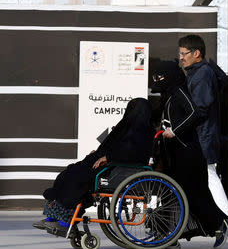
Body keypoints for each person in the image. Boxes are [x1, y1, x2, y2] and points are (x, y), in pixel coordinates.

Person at [33, 98, 155, 236]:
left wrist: (108, 157)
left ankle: (65, 223)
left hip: (118, 167)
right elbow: (116, 146)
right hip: (109, 163)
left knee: (76, 179)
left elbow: (132, 153)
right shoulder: (128, 126)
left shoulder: (142, 130)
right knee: (68, 173)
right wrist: (99, 153)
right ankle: (53, 217)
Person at [151, 60, 228, 249]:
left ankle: (221, 222)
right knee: (171, 194)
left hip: (188, 154)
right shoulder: (167, 96)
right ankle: (169, 236)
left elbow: (194, 113)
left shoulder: (178, 92)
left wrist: (175, 130)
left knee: (194, 195)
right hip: (175, 154)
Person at [178, 34, 228, 247]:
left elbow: (200, 108)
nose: (181, 58)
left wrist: (181, 125)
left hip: (203, 135)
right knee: (209, 175)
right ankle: (225, 220)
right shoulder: (199, 72)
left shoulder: (201, 75)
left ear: (196, 53)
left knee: (209, 175)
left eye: (184, 54)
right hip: (204, 134)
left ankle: (226, 219)